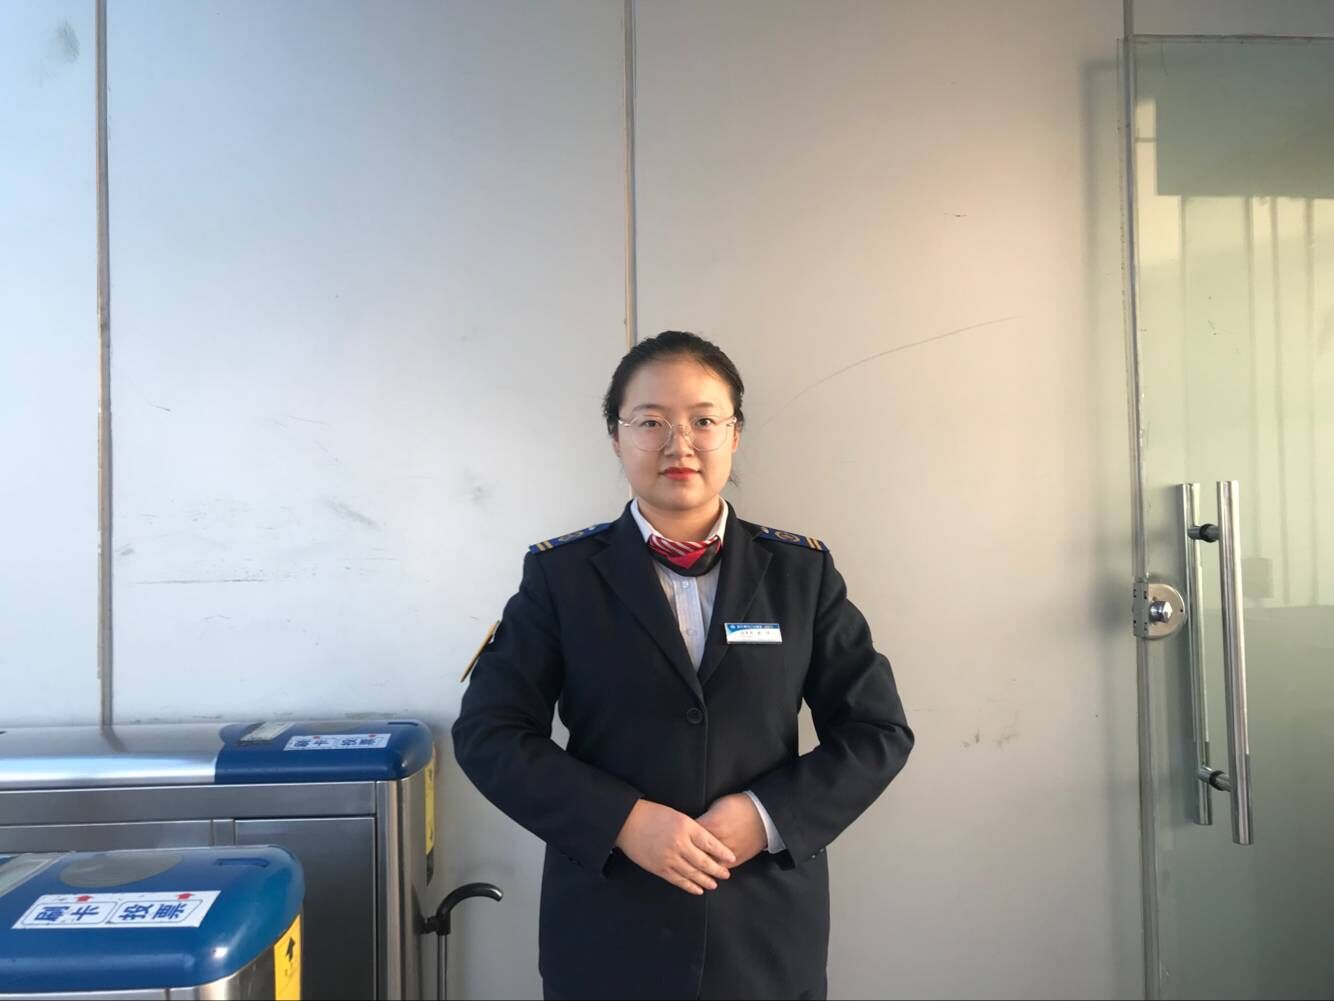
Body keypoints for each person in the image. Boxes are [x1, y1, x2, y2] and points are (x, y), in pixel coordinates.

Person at [452, 330, 913, 1001]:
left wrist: (765, 815)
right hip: (609, 929)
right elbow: (489, 733)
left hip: (763, 933)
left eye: (703, 420)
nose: (679, 444)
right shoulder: (562, 578)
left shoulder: (800, 574)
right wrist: (622, 820)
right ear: (616, 437)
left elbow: (877, 730)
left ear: (735, 433)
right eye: (651, 422)